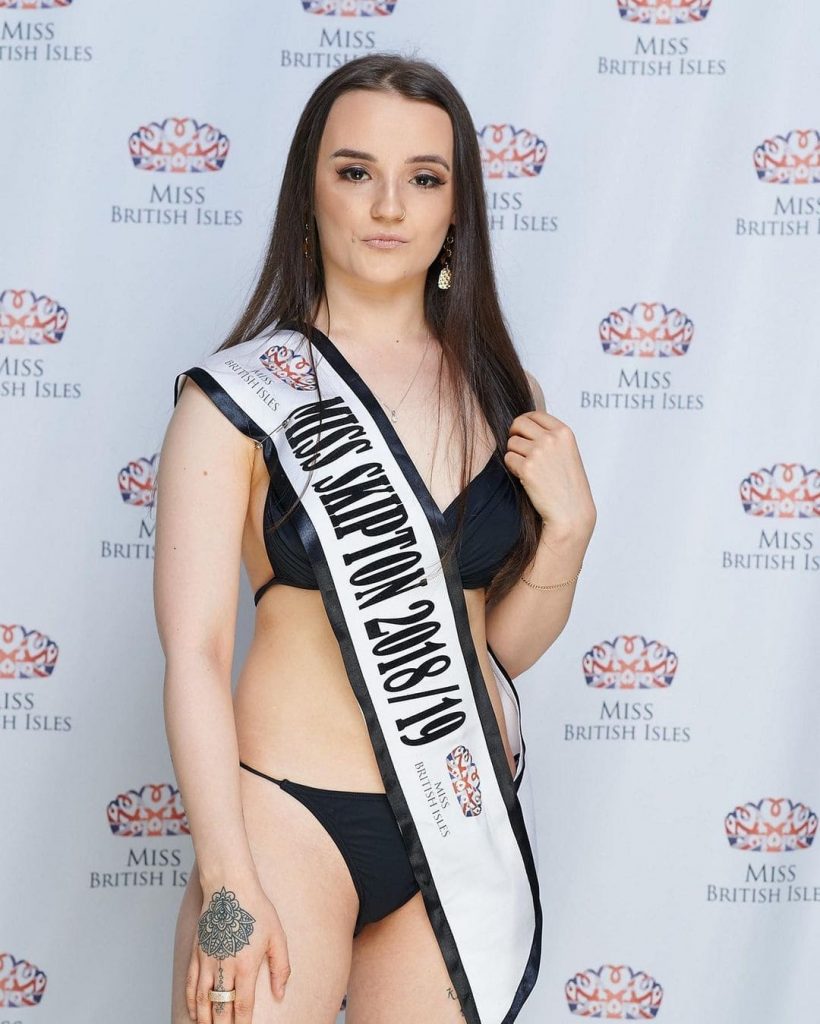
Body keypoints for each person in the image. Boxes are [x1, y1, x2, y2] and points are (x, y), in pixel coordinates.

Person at [154, 53, 596, 1024]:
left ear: (456, 208)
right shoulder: (236, 397)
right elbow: (194, 655)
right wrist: (226, 880)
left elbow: (487, 648)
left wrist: (568, 535)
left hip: (452, 829)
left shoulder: (505, 396)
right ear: (308, 193)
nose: (389, 205)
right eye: (356, 171)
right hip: (284, 820)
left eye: (423, 177)